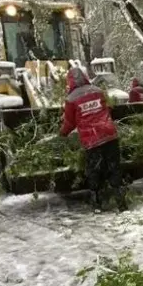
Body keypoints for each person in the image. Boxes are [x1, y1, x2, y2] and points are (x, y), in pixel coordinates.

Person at [60, 67, 128, 211]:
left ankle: (97, 203)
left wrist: (62, 134)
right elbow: (108, 109)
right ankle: (121, 202)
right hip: (110, 135)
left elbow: (69, 123)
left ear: (70, 81)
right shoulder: (98, 90)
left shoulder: (71, 99)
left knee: (94, 170)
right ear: (85, 77)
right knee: (114, 167)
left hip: (92, 140)